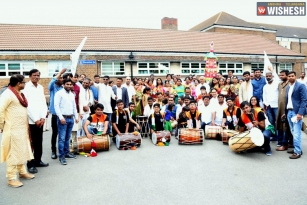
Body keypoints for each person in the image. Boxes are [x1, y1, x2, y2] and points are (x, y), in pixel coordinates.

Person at [0, 75, 35, 188]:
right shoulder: (7, 94)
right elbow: (0, 110)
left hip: (22, 129)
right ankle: (11, 178)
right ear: (18, 83)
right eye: (23, 82)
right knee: (13, 154)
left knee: (22, 151)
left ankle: (22, 171)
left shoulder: (19, 94)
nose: (25, 84)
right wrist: (2, 125)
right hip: (12, 129)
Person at [23, 69, 48, 174]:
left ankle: (38, 161)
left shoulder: (40, 87)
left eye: (38, 75)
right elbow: (26, 105)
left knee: (39, 142)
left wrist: (42, 117)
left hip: (40, 120)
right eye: (34, 75)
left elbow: (43, 103)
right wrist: (35, 119)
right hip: (31, 120)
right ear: (30, 76)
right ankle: (30, 164)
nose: (36, 77)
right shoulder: (26, 88)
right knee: (31, 143)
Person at [54, 79, 79, 165]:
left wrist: (76, 116)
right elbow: (56, 106)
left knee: (68, 137)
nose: (69, 86)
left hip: (71, 118)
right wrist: (61, 117)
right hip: (63, 119)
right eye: (67, 84)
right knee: (62, 138)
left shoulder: (72, 94)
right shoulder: (59, 93)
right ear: (63, 84)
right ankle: (61, 156)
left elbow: (74, 106)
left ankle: (67, 153)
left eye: (70, 84)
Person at [283, 71, 307, 159]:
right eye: (289, 76)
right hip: (289, 112)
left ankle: (297, 152)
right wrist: (285, 113)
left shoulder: (301, 86)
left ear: (295, 76)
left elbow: (304, 100)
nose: (291, 78)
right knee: (293, 132)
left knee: (296, 133)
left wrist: (300, 113)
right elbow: (288, 101)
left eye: (292, 76)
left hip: (297, 112)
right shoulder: (288, 87)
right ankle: (298, 149)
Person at [48, 68, 65, 159]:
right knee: (55, 133)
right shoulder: (52, 87)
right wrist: (60, 73)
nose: (62, 79)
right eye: (60, 78)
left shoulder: (63, 88)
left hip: (63, 115)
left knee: (63, 134)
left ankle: (61, 150)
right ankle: (53, 151)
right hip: (55, 114)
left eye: (62, 78)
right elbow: (52, 81)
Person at [276, 70, 293, 150]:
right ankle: (285, 142)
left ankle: (286, 144)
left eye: (282, 75)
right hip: (280, 108)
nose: (281, 77)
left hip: (287, 109)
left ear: (287, 75)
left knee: (286, 126)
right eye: (280, 75)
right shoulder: (279, 84)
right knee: (280, 125)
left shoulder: (290, 84)